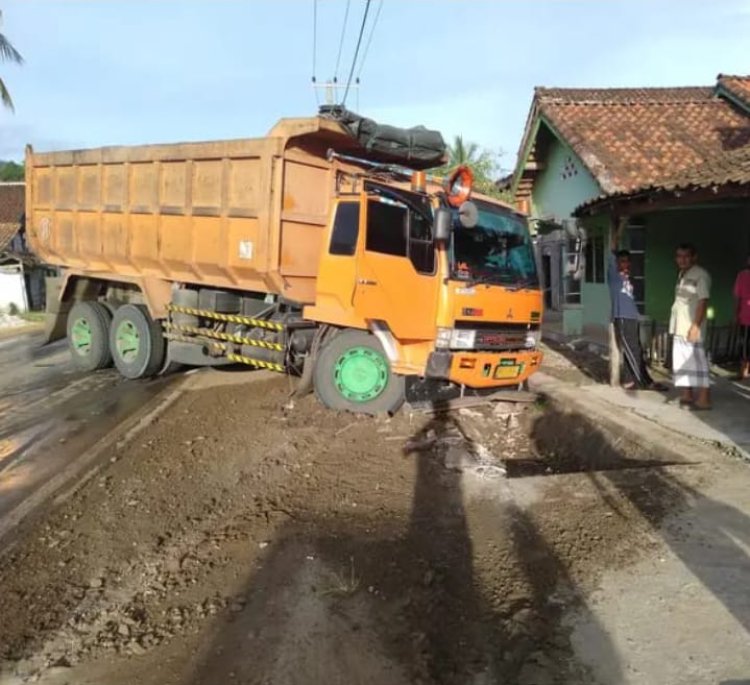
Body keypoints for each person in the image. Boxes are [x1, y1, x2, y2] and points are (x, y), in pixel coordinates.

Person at [608, 220, 661, 390]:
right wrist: (622, 224)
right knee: (632, 350)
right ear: (617, 263)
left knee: (635, 349)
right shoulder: (614, 275)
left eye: (628, 261)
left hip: (632, 317)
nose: (626, 264)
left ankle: (637, 380)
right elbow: (613, 248)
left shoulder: (627, 278)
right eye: (623, 261)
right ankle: (639, 382)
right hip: (622, 317)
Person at [669, 243, 711, 409]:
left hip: (692, 326)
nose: (682, 259)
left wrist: (695, 326)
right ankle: (687, 394)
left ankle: (704, 399)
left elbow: (703, 301)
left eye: (686, 256)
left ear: (694, 257)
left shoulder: (701, 275)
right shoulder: (682, 274)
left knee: (698, 362)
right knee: (683, 362)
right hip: (680, 325)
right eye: (679, 256)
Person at [734, 253, 750, 380]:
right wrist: (736, 314)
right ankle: (743, 371)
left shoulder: (742, 275)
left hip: (745, 316)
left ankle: (744, 372)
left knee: (745, 344)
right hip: (745, 317)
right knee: (744, 344)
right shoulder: (742, 276)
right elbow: (737, 297)